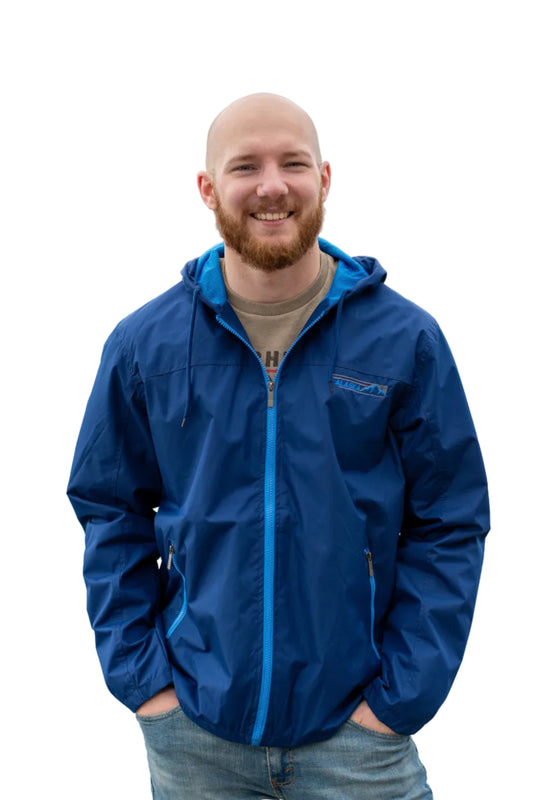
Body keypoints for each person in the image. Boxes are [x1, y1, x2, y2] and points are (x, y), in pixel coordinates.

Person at [67, 93, 490, 799]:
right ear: (208, 188)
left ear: (324, 178)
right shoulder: (146, 347)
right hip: (197, 738)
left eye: (293, 162)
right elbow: (109, 510)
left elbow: (450, 521)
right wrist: (147, 688)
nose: (272, 185)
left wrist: (395, 704)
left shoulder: (404, 341)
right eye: (245, 166)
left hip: (358, 744)